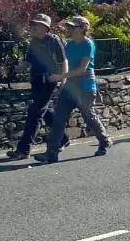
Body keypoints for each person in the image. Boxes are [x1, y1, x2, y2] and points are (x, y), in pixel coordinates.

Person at [34, 16, 113, 164]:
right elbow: (64, 64)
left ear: (83, 28)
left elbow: (82, 69)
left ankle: (104, 140)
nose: (69, 29)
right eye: (69, 26)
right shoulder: (69, 45)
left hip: (84, 88)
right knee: (58, 120)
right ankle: (51, 153)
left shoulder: (87, 44)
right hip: (69, 88)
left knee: (89, 117)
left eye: (72, 27)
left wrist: (60, 76)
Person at [6, 14, 71, 160]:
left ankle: (24, 149)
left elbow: (63, 61)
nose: (33, 26)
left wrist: (63, 79)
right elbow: (28, 62)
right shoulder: (33, 42)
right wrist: (19, 68)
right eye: (33, 24)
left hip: (48, 81)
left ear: (45, 28)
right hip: (36, 81)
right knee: (47, 112)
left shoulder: (54, 41)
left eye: (37, 24)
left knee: (34, 113)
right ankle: (63, 138)